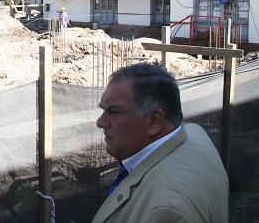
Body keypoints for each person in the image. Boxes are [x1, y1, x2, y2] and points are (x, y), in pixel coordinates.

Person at [92, 63, 228, 223]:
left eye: (113, 111)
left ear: (154, 121)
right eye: (103, 110)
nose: (100, 122)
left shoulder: (167, 211)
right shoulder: (194, 134)